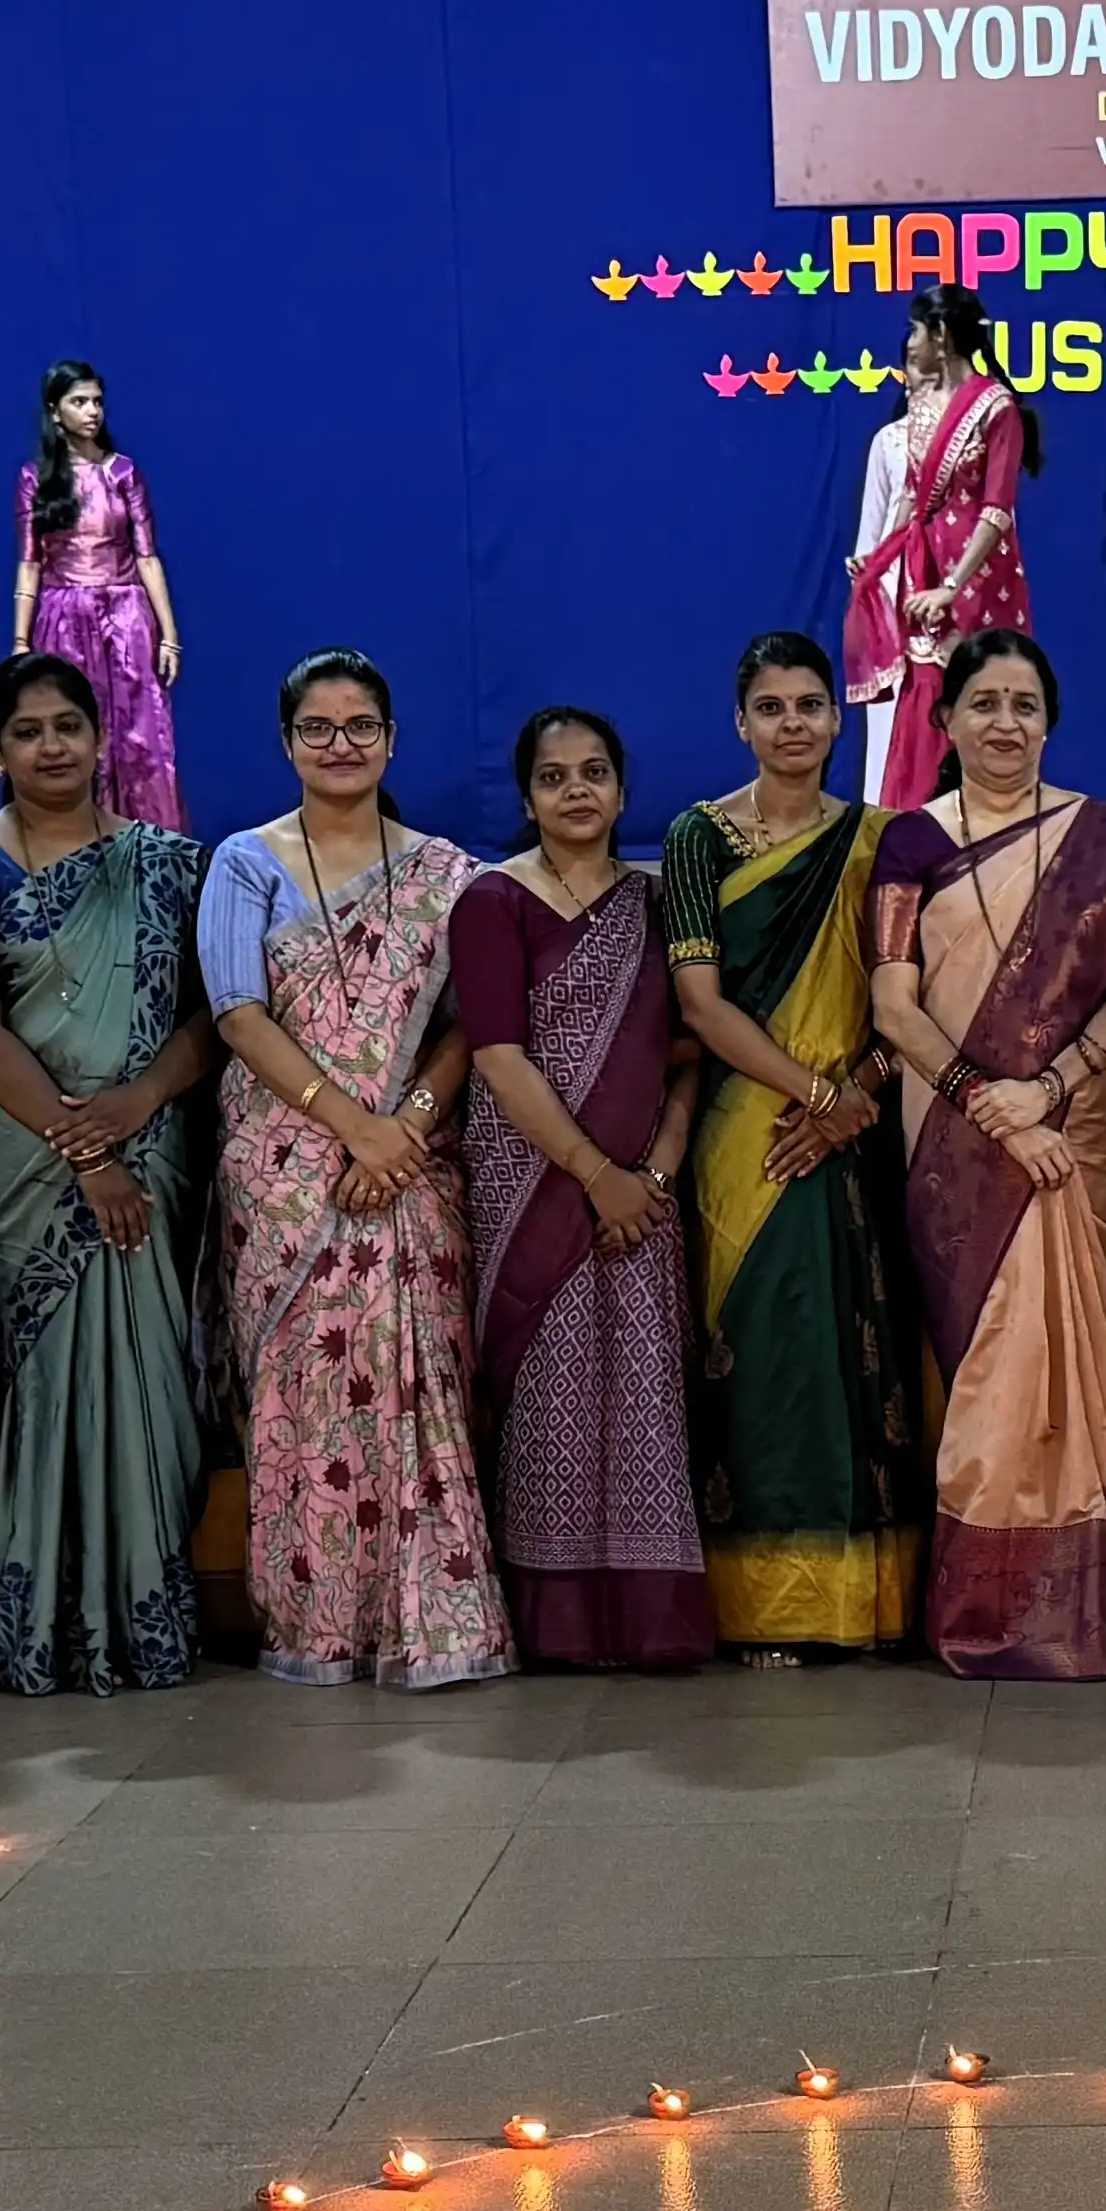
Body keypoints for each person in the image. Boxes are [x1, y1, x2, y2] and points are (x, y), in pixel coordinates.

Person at [865, 629, 1106, 1679]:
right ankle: (987, 1610)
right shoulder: (913, 840)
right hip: (955, 1141)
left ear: (1051, 721)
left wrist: (1047, 1089)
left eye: (1024, 705)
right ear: (946, 722)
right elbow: (892, 1003)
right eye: (984, 704)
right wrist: (990, 1104)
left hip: (1076, 1126)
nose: (1005, 724)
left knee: (1065, 1358)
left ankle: (1083, 1612)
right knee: (989, 1370)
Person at [203, 651, 512, 1690]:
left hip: (411, 1166)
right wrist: (352, 1128)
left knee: (421, 1391)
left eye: (361, 726)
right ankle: (318, 1627)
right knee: (306, 1401)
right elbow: (239, 1014)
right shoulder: (245, 864)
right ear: (287, 742)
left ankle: (440, 1622)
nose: (342, 746)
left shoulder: (447, 873)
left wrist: (408, 1124)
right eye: (319, 728)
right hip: (287, 1173)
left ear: (392, 740)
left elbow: (475, 1023)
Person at [0, 652, 219, 1692]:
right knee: (48, 1380)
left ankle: (147, 1623)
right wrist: (86, 1151)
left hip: (153, 1142)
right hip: (26, 1161)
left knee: (148, 1377)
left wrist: (137, 1108)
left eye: (68, 727)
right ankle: (46, 1626)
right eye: (28, 732)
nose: (51, 747)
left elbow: (206, 1014)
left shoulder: (169, 863)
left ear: (100, 737)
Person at [663, 634, 925, 1656]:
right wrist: (816, 1093)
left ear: (839, 717)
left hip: (855, 1132)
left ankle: (866, 1607)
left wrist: (851, 1099)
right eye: (770, 708)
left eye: (811, 705)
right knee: (762, 1354)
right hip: (747, 1129)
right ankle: (762, 1608)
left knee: (851, 1353)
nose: (792, 725)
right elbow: (699, 1003)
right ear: (740, 723)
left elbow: (913, 1000)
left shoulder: (880, 839)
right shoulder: (700, 837)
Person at [452, 705, 711, 1668]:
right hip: (536, 1190)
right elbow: (499, 1057)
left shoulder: (652, 907)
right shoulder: (494, 900)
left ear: (621, 788)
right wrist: (595, 1175)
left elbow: (688, 1052)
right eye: (554, 777)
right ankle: (559, 1627)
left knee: (641, 1397)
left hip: (642, 1197)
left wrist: (653, 1174)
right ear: (526, 795)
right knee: (552, 1391)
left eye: (594, 772)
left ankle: (651, 1625)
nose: (575, 792)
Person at [852, 283, 1034, 808]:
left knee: (980, 697)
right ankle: (911, 834)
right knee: (922, 706)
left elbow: (996, 512)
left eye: (915, 329)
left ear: (940, 334)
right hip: (921, 571)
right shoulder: (919, 403)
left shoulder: (997, 408)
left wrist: (952, 588)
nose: (908, 342)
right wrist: (880, 560)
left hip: (980, 584)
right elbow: (913, 499)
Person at [8, 360, 183, 825]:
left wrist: (169, 634)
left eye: (97, 402)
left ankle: (147, 852)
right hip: (62, 617)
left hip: (125, 617)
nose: (92, 412)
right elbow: (30, 563)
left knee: (141, 737)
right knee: (69, 730)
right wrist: (20, 643)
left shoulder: (123, 473)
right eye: (79, 402)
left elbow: (147, 556)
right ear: (55, 410)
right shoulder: (36, 479)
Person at [840, 363, 936, 786]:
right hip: (895, 598)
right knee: (890, 713)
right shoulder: (890, 442)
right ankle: (882, 827)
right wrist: (867, 574)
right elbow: (871, 535)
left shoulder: (978, 443)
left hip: (955, 601)